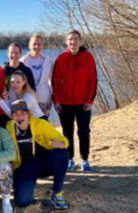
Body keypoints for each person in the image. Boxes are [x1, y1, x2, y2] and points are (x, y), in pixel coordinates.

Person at [6, 100, 69, 209]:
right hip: (24, 167)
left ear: (28, 114)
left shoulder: (40, 124)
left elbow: (63, 140)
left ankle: (56, 193)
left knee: (62, 154)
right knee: (22, 202)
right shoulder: (9, 130)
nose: (19, 117)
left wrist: (61, 144)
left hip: (43, 163)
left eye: (22, 113)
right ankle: (28, 185)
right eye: (16, 114)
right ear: (12, 116)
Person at [52, 29, 97, 172]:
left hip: (83, 103)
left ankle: (85, 160)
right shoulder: (61, 59)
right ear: (66, 42)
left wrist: (90, 100)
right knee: (67, 132)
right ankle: (70, 159)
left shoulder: (88, 57)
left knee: (84, 131)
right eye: (70, 39)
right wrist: (56, 101)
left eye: (76, 39)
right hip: (65, 103)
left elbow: (93, 80)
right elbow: (55, 82)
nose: (73, 42)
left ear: (80, 41)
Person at [21, 34, 55, 118]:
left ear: (43, 45)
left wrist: (53, 95)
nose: (37, 46)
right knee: (30, 128)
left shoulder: (48, 60)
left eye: (39, 44)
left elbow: (52, 80)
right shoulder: (22, 61)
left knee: (44, 126)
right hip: (28, 101)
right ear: (29, 45)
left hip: (45, 100)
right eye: (34, 44)